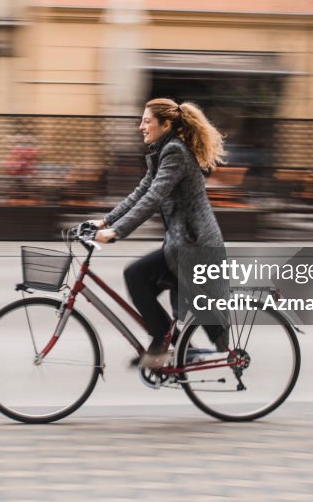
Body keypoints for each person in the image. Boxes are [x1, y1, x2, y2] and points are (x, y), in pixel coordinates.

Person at [95, 98, 229, 369]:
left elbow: (154, 197)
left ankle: (166, 346)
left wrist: (117, 231)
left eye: (147, 121)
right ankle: (172, 346)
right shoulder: (163, 151)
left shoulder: (175, 152)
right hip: (182, 243)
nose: (140, 126)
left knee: (136, 275)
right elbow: (142, 192)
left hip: (194, 246)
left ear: (165, 124)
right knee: (138, 278)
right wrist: (106, 220)